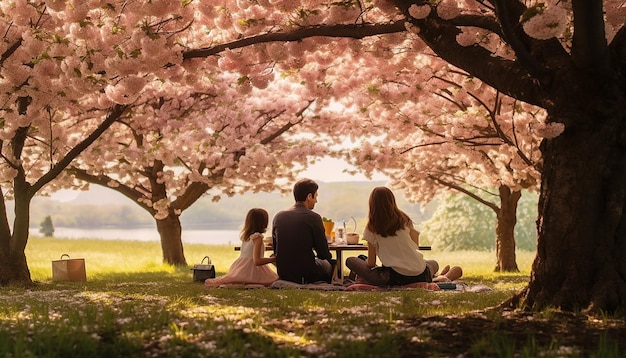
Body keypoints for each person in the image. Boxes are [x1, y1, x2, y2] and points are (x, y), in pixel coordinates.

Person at [345, 186, 439, 287]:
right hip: (422, 274)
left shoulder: (372, 227)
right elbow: (415, 245)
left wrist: (368, 262)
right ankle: (439, 276)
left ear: (372, 204)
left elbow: (371, 263)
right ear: (392, 201)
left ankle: (365, 279)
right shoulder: (405, 220)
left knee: (351, 260)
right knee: (434, 263)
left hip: (394, 278)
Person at [272, 178, 335, 284]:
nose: (316, 200)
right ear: (309, 196)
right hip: (307, 273)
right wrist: (330, 261)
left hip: (284, 272)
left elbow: (276, 250)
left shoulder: (278, 216)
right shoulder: (313, 218)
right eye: (316, 196)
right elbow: (323, 253)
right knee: (329, 264)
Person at [205, 208, 278, 287]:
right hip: (252, 271)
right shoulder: (257, 237)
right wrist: (274, 259)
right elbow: (257, 261)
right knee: (276, 280)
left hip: (240, 268)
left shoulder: (247, 236)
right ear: (263, 222)